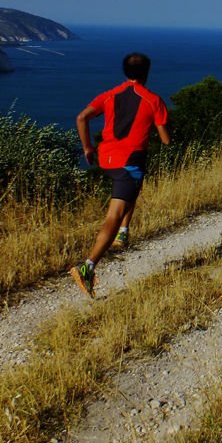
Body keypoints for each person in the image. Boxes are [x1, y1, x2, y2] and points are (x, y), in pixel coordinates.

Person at [70, 52, 171, 297]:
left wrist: (87, 147)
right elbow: (166, 140)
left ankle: (124, 233)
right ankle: (88, 266)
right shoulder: (152, 100)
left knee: (135, 180)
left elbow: (82, 117)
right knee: (114, 215)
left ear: (124, 71)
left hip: (106, 159)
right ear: (147, 73)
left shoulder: (110, 95)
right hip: (129, 163)